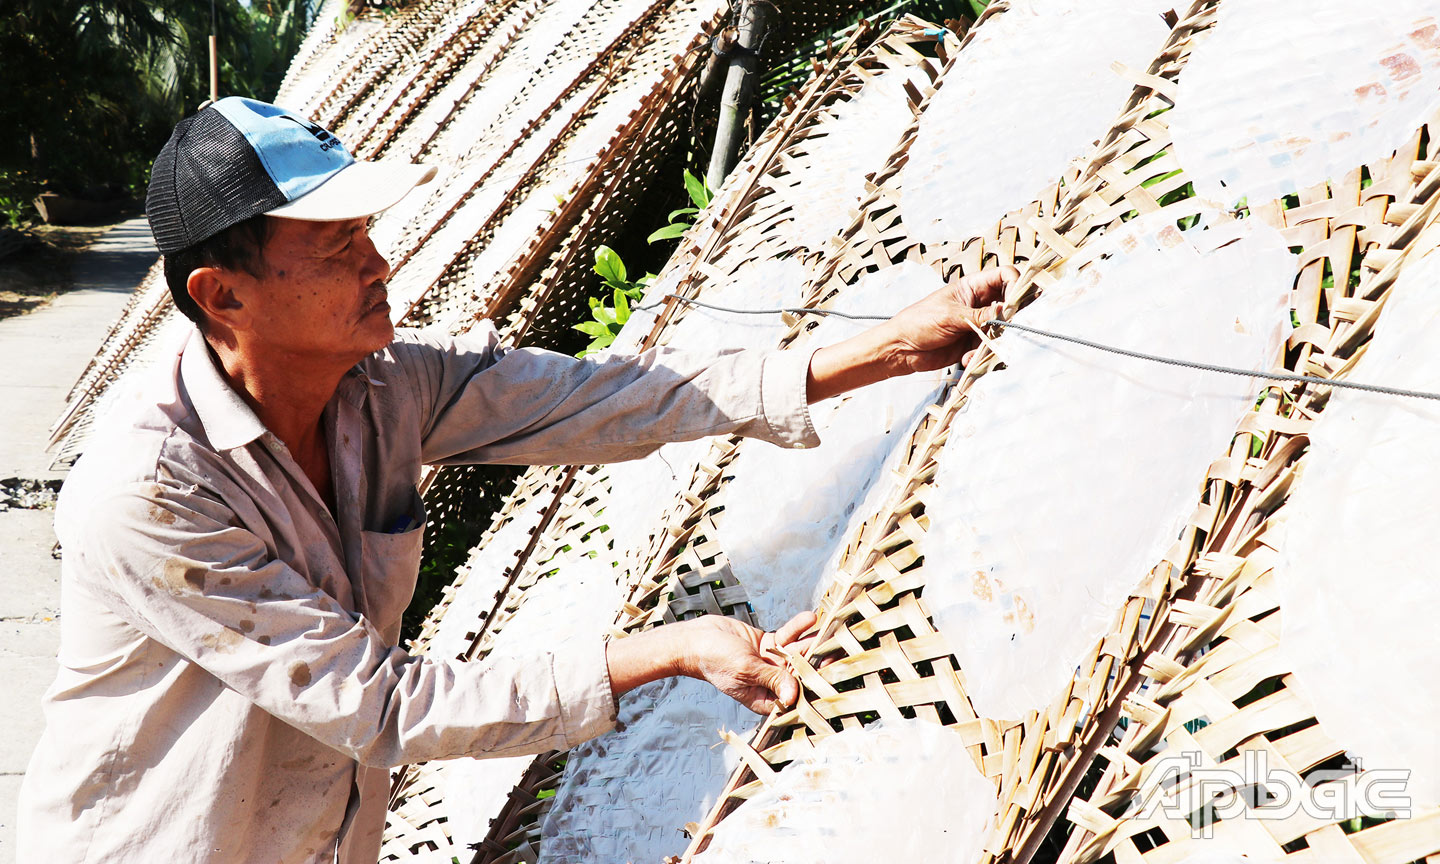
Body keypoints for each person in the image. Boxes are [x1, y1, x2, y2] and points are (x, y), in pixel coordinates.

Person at [17, 97, 1009, 863]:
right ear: (222, 294)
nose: (380, 263)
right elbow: (383, 707)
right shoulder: (152, 491)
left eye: (368, 232)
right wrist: (665, 650)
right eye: (336, 244)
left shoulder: (383, 390)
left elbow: (605, 400)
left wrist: (882, 350)